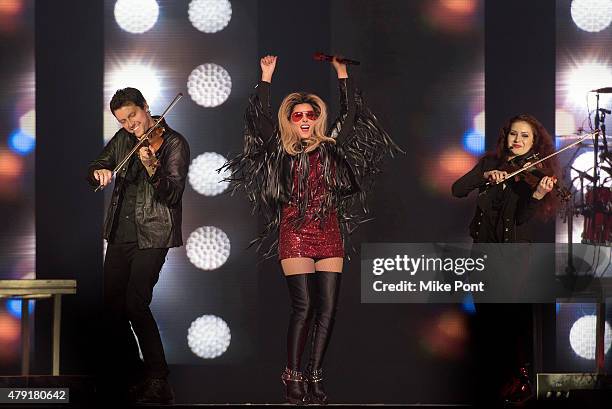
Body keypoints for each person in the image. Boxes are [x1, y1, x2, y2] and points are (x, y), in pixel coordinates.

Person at [224, 55, 399, 404]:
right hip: (294, 232)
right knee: (303, 307)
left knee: (328, 308)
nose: (305, 119)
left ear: (318, 118)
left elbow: (350, 115)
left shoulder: (331, 147)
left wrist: (342, 73)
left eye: (311, 114)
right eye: (298, 115)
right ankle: (293, 376)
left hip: (329, 232)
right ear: (290, 120)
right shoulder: (281, 148)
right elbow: (259, 117)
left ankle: (315, 373)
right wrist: (266, 76)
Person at [87, 88, 190, 405]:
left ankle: (159, 380)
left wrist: (152, 167)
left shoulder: (174, 143)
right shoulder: (122, 140)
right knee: (112, 309)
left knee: (134, 303)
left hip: (154, 234)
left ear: (146, 107)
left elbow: (172, 194)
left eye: (132, 116)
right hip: (120, 232)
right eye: (122, 120)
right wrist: (98, 172)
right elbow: (97, 165)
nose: (130, 125)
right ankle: (136, 374)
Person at [452, 114, 557, 404]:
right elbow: (457, 189)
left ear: (534, 142)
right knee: (487, 321)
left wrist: (536, 194)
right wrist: (484, 176)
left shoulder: (533, 172)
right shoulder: (488, 164)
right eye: (514, 134)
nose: (518, 140)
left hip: (514, 255)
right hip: (483, 252)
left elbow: (522, 218)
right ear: (505, 137)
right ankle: (496, 382)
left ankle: (518, 380)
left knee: (510, 322)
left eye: (525, 136)